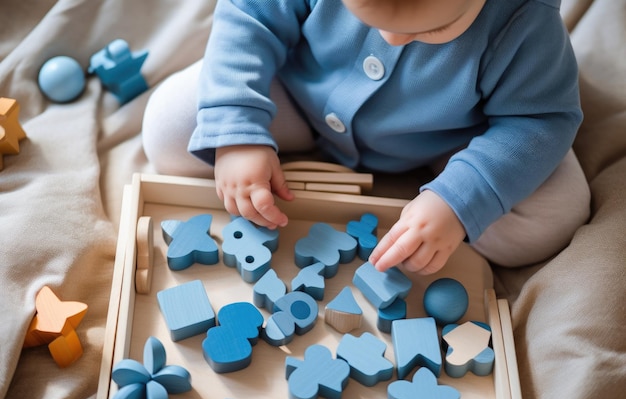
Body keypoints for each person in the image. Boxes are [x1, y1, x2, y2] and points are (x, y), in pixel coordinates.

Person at [142, 0, 590, 275]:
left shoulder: (526, 20)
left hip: (451, 139)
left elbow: (541, 120)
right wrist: (237, 132)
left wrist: (459, 200)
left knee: (558, 213)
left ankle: (442, 208)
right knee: (167, 126)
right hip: (303, 98)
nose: (393, 39)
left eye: (432, 30)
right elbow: (247, 19)